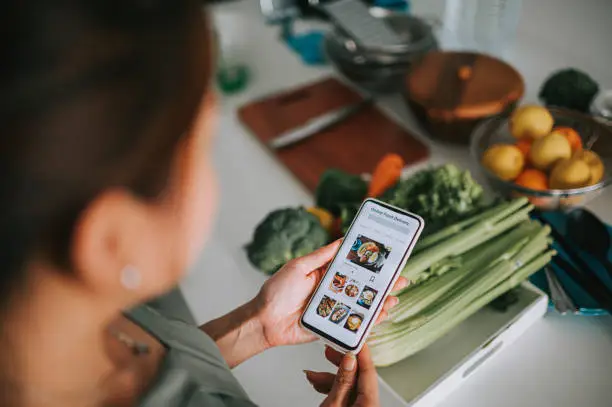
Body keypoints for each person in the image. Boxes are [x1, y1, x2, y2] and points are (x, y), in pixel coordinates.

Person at [0, 1, 407, 406]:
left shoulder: (65, 314)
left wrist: (256, 326)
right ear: (111, 241)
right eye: (203, 148)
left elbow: (164, 377)